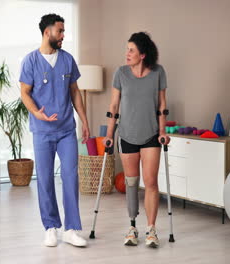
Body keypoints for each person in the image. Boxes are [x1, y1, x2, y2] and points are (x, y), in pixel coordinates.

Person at [20, 13, 90, 247]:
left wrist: (85, 121)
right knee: (45, 179)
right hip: (42, 131)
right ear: (47, 32)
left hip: (67, 131)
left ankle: (71, 229)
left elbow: (74, 92)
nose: (63, 35)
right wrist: (36, 112)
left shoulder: (67, 60)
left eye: (63, 31)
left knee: (70, 177)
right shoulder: (30, 61)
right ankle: (51, 227)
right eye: (60, 31)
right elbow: (25, 93)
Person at [104, 32, 170, 248]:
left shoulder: (158, 72)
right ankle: (132, 227)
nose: (127, 54)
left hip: (151, 135)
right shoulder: (121, 73)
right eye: (127, 49)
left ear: (143, 54)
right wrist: (109, 134)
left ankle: (151, 229)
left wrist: (162, 131)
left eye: (131, 50)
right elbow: (114, 106)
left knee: (150, 183)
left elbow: (162, 105)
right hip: (127, 135)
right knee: (131, 184)